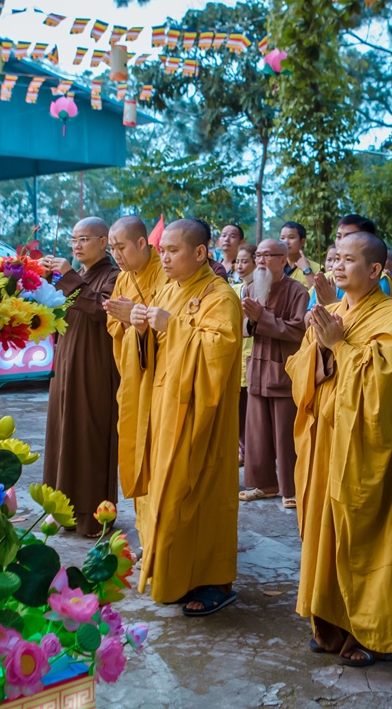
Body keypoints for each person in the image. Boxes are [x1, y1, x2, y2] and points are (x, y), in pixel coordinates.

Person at [288, 230, 392, 666]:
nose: (337, 267)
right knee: (323, 531)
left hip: (364, 447)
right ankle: (330, 621)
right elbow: (300, 369)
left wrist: (338, 346)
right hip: (326, 441)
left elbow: (380, 388)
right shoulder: (332, 311)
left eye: (348, 260)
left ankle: (370, 633)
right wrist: (322, 350)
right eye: (335, 259)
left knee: (362, 532)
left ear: (376, 269)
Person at [130, 219, 243, 615]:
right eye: (162, 250)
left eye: (173, 250)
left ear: (200, 252)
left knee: (197, 493)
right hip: (164, 409)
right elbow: (151, 350)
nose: (164, 258)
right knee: (163, 491)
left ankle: (214, 581)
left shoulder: (220, 296)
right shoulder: (167, 289)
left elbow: (219, 352)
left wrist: (172, 327)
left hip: (201, 415)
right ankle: (172, 572)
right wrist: (140, 329)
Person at [43, 217, 120, 538]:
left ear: (103, 242)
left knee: (90, 436)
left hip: (94, 368)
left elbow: (102, 309)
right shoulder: (80, 276)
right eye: (73, 240)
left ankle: (92, 516)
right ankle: (63, 510)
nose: (76, 246)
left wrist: (69, 277)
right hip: (65, 366)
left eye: (84, 239)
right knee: (63, 433)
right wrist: (44, 281)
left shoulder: (115, 276)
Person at [240, 238, 310, 509]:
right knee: (257, 434)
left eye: (268, 256)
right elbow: (244, 327)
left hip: (283, 372)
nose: (261, 261)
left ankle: (291, 488)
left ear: (283, 259)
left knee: (285, 435)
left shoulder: (297, 291)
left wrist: (263, 318)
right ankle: (265, 485)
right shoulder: (251, 288)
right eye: (258, 255)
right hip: (257, 370)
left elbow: (298, 331)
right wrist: (251, 321)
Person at [104, 215, 170, 502]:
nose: (116, 255)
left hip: (160, 374)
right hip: (133, 374)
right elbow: (113, 323)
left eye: (121, 247)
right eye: (112, 249)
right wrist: (125, 320)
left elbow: (167, 320)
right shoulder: (123, 277)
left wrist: (137, 316)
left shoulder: (165, 273)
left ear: (142, 243)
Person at [310, 214, 392, 306]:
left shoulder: (379, 279)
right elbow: (309, 313)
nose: (342, 242)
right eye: (338, 236)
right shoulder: (325, 278)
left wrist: (332, 303)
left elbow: (372, 312)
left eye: (349, 260)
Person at [233, 244, 258, 464]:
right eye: (237, 261)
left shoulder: (263, 289)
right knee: (239, 407)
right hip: (237, 353)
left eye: (245, 261)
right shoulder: (234, 290)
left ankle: (251, 451)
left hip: (254, 353)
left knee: (253, 408)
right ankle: (242, 449)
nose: (240, 266)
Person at [280, 221, 320, 288]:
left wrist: (307, 270)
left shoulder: (317, 268)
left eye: (291, 237)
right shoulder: (277, 266)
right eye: (282, 238)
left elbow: (317, 292)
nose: (286, 242)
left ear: (302, 242)